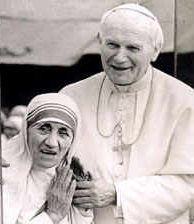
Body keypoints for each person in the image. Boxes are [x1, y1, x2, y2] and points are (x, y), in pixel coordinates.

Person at [59, 3, 194, 224]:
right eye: (112, 45)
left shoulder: (185, 101)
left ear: (155, 50)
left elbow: (189, 184)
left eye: (133, 48)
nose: (120, 58)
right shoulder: (71, 96)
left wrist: (117, 194)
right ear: (100, 41)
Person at [0, 93, 93, 224]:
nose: (51, 142)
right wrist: (52, 216)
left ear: (72, 142)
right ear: (26, 130)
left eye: (63, 133)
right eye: (44, 129)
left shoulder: (75, 182)